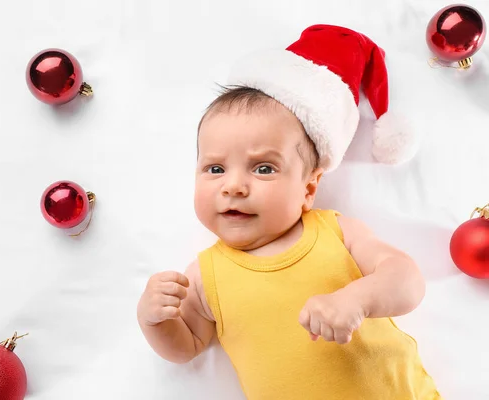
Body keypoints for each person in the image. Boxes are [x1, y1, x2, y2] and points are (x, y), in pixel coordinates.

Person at [137, 24, 441, 399]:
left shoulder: (335, 233)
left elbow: (407, 281)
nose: (233, 186)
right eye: (215, 169)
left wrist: (356, 300)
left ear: (309, 188)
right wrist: (153, 321)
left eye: (264, 168)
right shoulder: (203, 276)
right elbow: (186, 348)